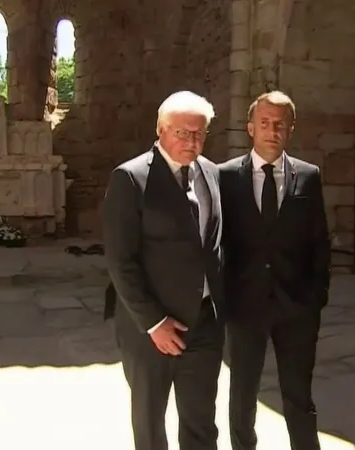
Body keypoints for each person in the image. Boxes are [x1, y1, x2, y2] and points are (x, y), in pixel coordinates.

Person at [102, 90, 225, 450]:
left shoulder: (211, 173)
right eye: (182, 132)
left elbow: (214, 245)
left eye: (199, 133)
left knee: (201, 421)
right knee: (150, 423)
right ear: (160, 129)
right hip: (150, 329)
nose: (192, 141)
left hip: (204, 324)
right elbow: (120, 260)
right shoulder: (131, 178)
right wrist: (154, 322)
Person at [217, 90, 331, 450]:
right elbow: (218, 241)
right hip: (245, 306)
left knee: (298, 396)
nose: (272, 130)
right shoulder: (225, 177)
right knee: (242, 395)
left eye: (280, 124)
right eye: (265, 123)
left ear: (291, 129)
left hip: (295, 308)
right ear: (250, 127)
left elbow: (319, 242)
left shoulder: (308, 177)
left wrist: (315, 299)